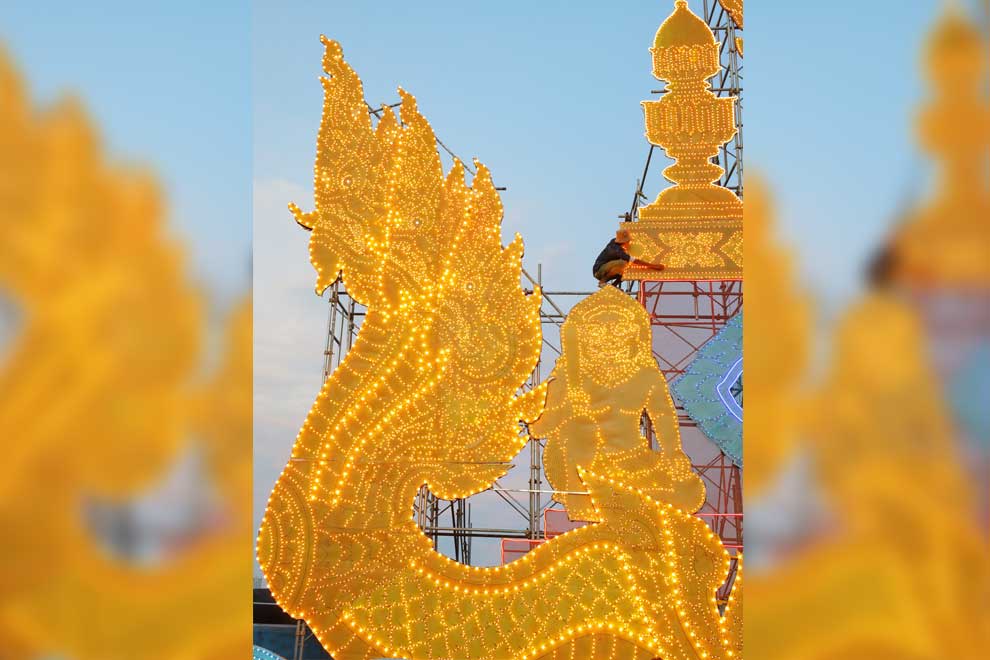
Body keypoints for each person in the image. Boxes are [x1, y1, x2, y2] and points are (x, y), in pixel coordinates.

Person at [592, 228, 665, 287]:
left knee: (629, 270)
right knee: (623, 263)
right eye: (628, 241)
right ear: (624, 241)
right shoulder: (617, 250)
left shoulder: (614, 241)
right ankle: (602, 282)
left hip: (607, 269)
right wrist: (653, 266)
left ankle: (613, 286)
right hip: (599, 271)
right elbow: (635, 261)